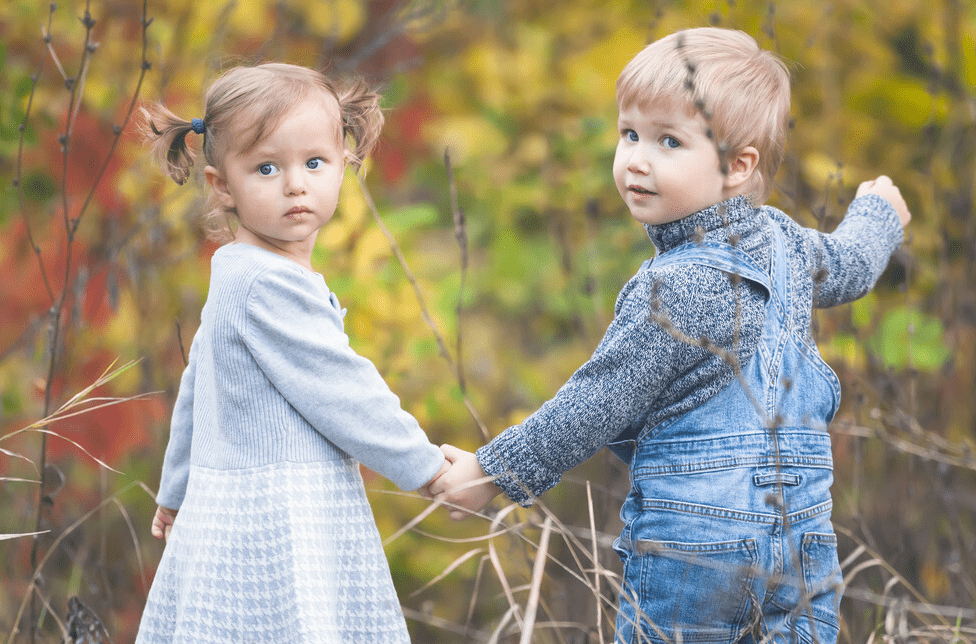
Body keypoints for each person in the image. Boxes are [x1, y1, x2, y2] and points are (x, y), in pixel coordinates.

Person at [427, 27, 911, 644]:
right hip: (802, 540)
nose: (636, 159)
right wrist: (878, 215)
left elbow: (594, 405)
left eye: (668, 141)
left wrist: (491, 475)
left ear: (738, 167)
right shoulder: (786, 241)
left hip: (695, 546)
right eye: (629, 133)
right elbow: (849, 265)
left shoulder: (676, 287)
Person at [136, 62, 447, 644]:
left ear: (343, 167)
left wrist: (175, 489)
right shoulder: (263, 285)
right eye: (266, 168)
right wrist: (423, 466)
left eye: (313, 163)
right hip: (277, 520)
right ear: (222, 185)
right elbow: (342, 388)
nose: (295, 184)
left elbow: (195, 389)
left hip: (241, 512)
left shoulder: (241, 277)